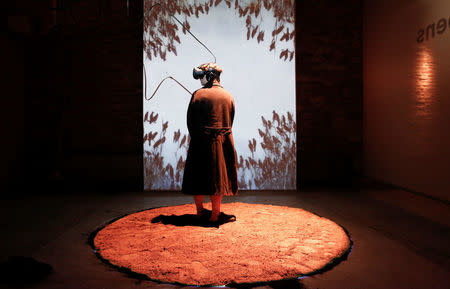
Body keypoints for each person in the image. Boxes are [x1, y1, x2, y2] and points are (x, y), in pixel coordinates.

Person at [182, 62, 238, 223]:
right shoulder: (228, 96)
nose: (200, 81)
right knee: (217, 178)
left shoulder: (197, 95)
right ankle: (215, 214)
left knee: (197, 177)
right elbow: (230, 120)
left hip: (200, 141)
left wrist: (199, 136)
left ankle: (200, 212)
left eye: (202, 77)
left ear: (210, 76)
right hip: (222, 143)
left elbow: (190, 122)